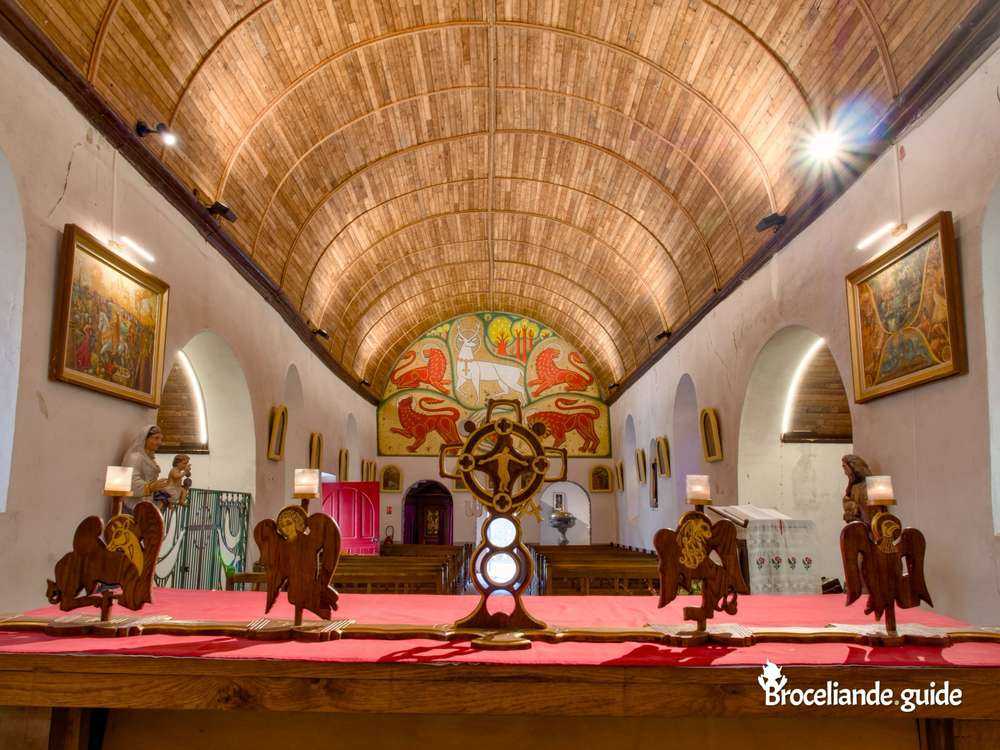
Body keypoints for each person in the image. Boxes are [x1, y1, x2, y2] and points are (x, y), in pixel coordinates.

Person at [120, 425, 170, 514]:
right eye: (156, 438)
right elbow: (131, 482)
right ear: (145, 439)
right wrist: (150, 487)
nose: (159, 442)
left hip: (146, 502)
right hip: (134, 505)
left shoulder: (149, 459)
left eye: (160, 439)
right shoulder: (135, 458)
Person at [841, 454, 873, 524]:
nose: (845, 472)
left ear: (853, 466)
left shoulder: (867, 486)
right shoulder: (853, 486)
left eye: (845, 467)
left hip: (867, 524)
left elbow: (868, 510)